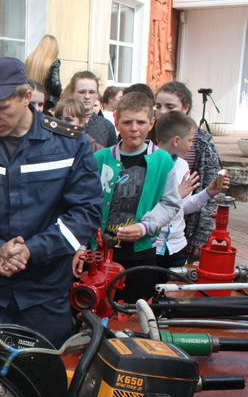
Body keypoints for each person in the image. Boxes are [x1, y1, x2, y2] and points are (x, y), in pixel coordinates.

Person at [0, 56, 102, 347]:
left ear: (27, 96)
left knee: (43, 381)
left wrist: (32, 250)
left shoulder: (68, 144)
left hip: (45, 295)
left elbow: (86, 212)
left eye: (1, 109)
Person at [93, 92, 181, 302]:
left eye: (141, 122)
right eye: (127, 122)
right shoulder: (100, 158)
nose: (134, 128)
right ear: (116, 121)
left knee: (135, 310)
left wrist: (145, 227)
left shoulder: (162, 160)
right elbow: (86, 201)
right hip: (101, 252)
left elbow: (170, 203)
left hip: (141, 251)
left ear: (151, 123)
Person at [154, 81, 222, 262]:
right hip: (153, 241)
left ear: (185, 108)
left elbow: (186, 202)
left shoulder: (189, 154)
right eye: (158, 106)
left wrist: (208, 193)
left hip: (179, 239)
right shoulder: (148, 153)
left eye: (169, 106)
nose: (162, 111)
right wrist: (177, 194)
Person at [63, 71, 117, 148]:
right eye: (82, 92)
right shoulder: (61, 123)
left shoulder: (107, 126)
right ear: (72, 93)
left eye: (91, 92)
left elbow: (111, 157)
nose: (87, 96)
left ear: (97, 95)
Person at [24, 34, 61, 112]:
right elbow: (55, 85)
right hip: (45, 103)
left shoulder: (30, 60)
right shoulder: (53, 62)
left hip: (30, 98)